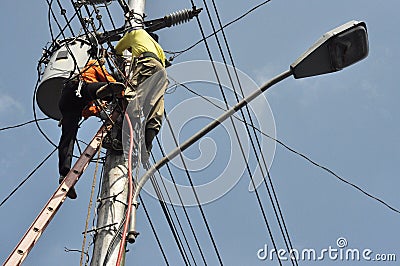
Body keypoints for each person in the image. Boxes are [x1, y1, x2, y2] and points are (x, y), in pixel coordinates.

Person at [58, 58, 125, 199]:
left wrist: (98, 107)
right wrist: (121, 93)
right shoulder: (94, 65)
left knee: (67, 138)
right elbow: (107, 77)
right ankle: (102, 91)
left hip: (68, 104)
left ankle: (64, 173)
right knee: (90, 89)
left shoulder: (79, 72)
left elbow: (87, 112)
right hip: (79, 89)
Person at [114, 29, 168, 158]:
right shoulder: (159, 48)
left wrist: (119, 58)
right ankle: (147, 146)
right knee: (154, 108)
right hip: (161, 73)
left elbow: (118, 49)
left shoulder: (137, 33)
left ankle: (122, 140)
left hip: (146, 64)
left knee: (132, 98)